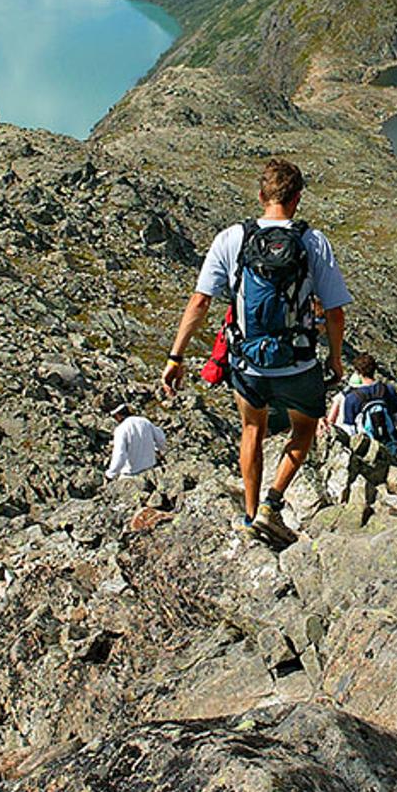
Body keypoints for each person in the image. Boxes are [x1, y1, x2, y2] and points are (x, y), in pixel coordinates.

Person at [160, 159, 351, 547]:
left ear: (261, 196)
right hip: (297, 363)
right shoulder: (312, 241)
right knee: (304, 431)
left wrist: (175, 357)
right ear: (297, 199)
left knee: (252, 430)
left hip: (247, 364)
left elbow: (200, 302)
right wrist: (334, 359)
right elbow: (334, 311)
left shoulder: (232, 238)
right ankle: (273, 502)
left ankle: (250, 516)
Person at [330, 352, 397, 460]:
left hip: (367, 449)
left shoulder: (351, 398)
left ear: (358, 372)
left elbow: (348, 428)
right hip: (389, 444)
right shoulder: (387, 389)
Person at [105, 402, 165, 479]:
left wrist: (110, 474)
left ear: (118, 416)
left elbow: (120, 454)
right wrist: (158, 449)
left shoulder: (121, 429)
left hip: (131, 475)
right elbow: (161, 439)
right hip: (151, 471)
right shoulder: (144, 421)